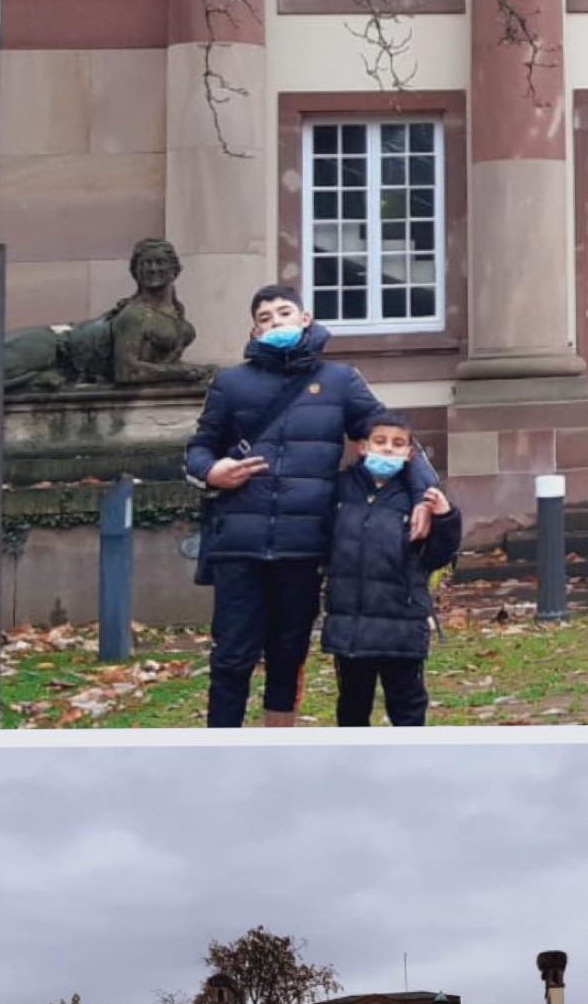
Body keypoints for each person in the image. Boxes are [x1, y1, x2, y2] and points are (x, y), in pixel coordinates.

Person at [186, 284, 436, 728]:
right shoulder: (229, 383)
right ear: (254, 329)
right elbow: (198, 450)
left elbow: (393, 439)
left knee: (289, 652)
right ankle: (219, 749)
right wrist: (211, 472)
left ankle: (278, 745)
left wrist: (426, 496)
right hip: (238, 546)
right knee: (231, 656)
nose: (276, 322)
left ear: (305, 319)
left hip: (304, 546)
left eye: (284, 313)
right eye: (266, 318)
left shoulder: (341, 381)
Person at [320, 410, 461, 727]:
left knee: (407, 708)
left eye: (397, 444)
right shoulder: (340, 490)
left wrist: (446, 518)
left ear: (409, 453)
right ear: (362, 447)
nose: (387, 449)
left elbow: (438, 555)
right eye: (380, 441)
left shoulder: (418, 499)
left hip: (402, 626)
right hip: (351, 627)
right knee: (352, 708)